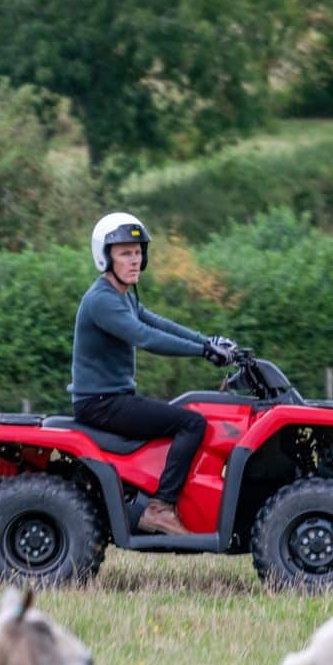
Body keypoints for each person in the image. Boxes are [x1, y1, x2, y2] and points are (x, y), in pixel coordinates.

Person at [70, 212, 237, 536]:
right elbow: (145, 337)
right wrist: (204, 352)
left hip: (113, 399)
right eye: (124, 253)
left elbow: (157, 322)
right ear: (105, 257)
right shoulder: (102, 300)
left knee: (190, 414)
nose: (134, 260)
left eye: (137, 253)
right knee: (191, 422)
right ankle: (160, 507)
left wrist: (208, 341)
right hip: (101, 403)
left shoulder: (124, 295)